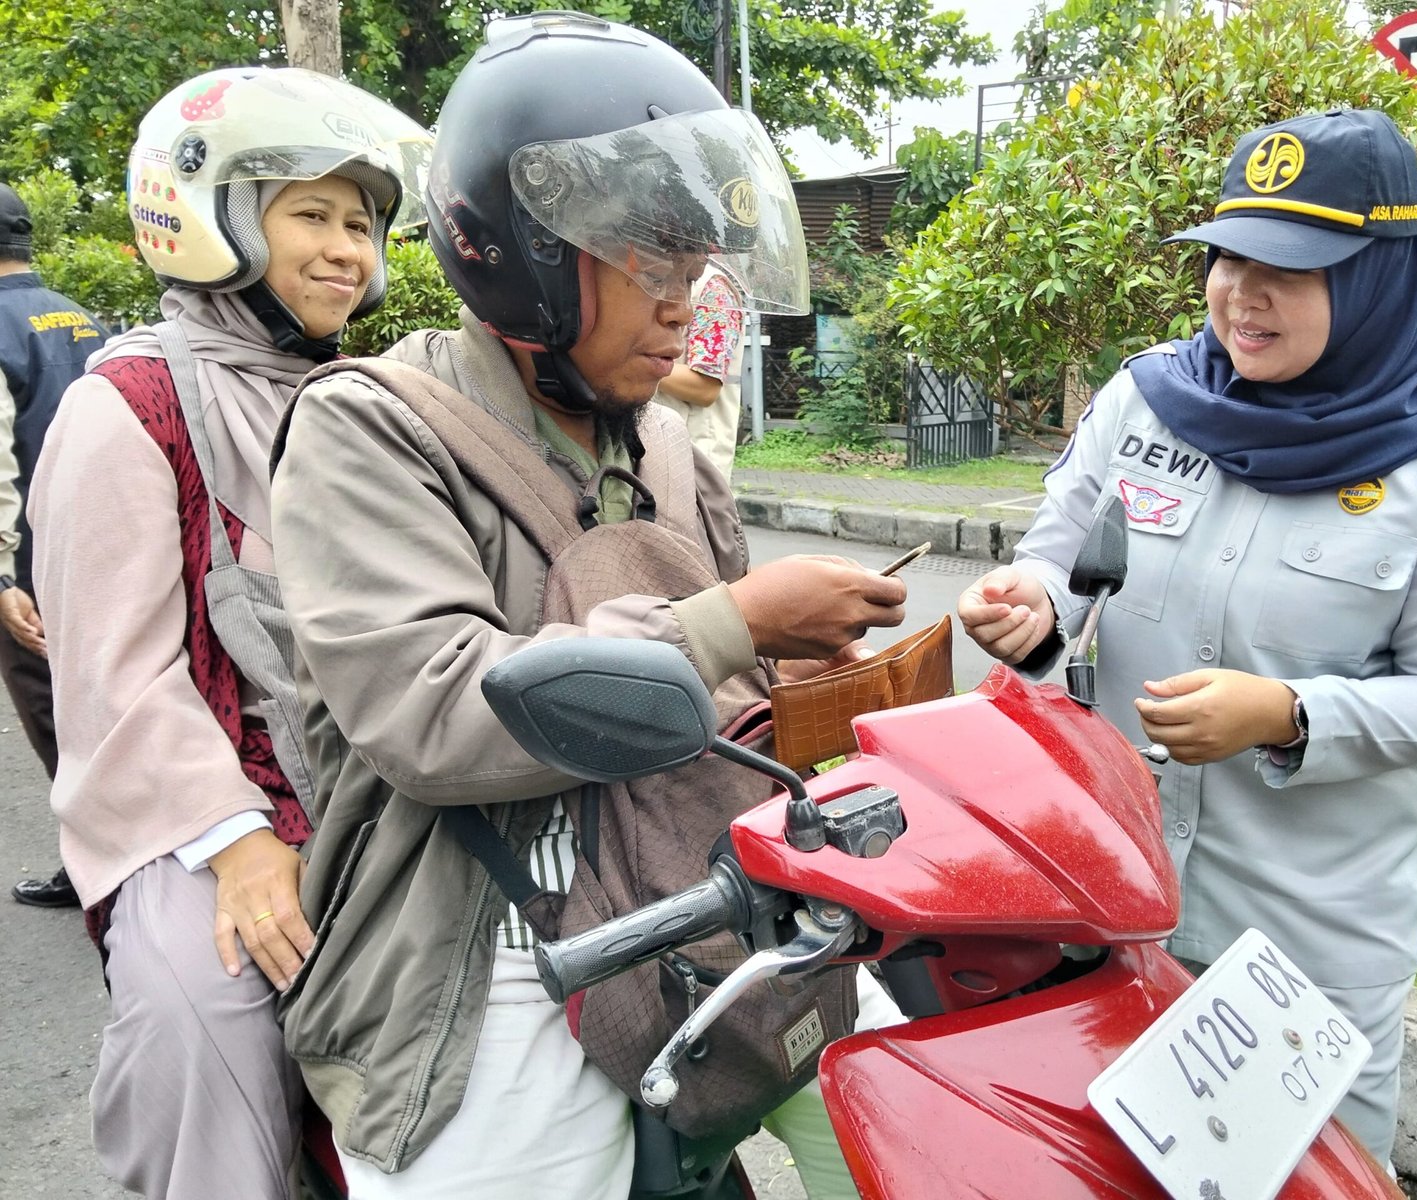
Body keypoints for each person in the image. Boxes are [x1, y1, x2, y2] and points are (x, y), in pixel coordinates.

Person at [270, 15, 906, 1199]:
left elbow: (737, 702)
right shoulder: (368, 426)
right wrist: (738, 621)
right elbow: (432, 712)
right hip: (484, 939)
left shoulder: (667, 446)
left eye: (695, 271)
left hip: (697, 889)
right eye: (652, 267)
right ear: (523, 252)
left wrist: (835, 682)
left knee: (907, 1125)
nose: (684, 308)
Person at [958, 109, 1417, 1167]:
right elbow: (1057, 563)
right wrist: (1028, 606)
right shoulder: (1146, 401)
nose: (1240, 291)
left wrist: (1288, 714)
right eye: (1227, 255)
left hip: (1302, 935)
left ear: (1377, 280)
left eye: (1291, 267)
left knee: (1301, 1176)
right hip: (1105, 896)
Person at [27, 68, 429, 1198]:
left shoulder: (358, 397)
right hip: (197, 805)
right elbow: (116, 678)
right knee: (204, 1006)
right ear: (210, 217)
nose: (347, 249)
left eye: (361, 223)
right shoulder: (129, 403)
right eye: (311, 214)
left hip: (369, 780)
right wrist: (238, 841)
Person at [0, 181, 105, 908]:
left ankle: (96, 860)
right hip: (98, 539)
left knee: (51, 706)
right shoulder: (77, 313)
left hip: (31, 558)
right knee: (102, 697)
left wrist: (3, 574)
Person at [654, 266, 745, 479]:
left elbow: (705, 389)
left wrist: (633, 363)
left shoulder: (713, 291)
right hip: (658, 449)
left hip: (697, 456)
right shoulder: (659, 277)